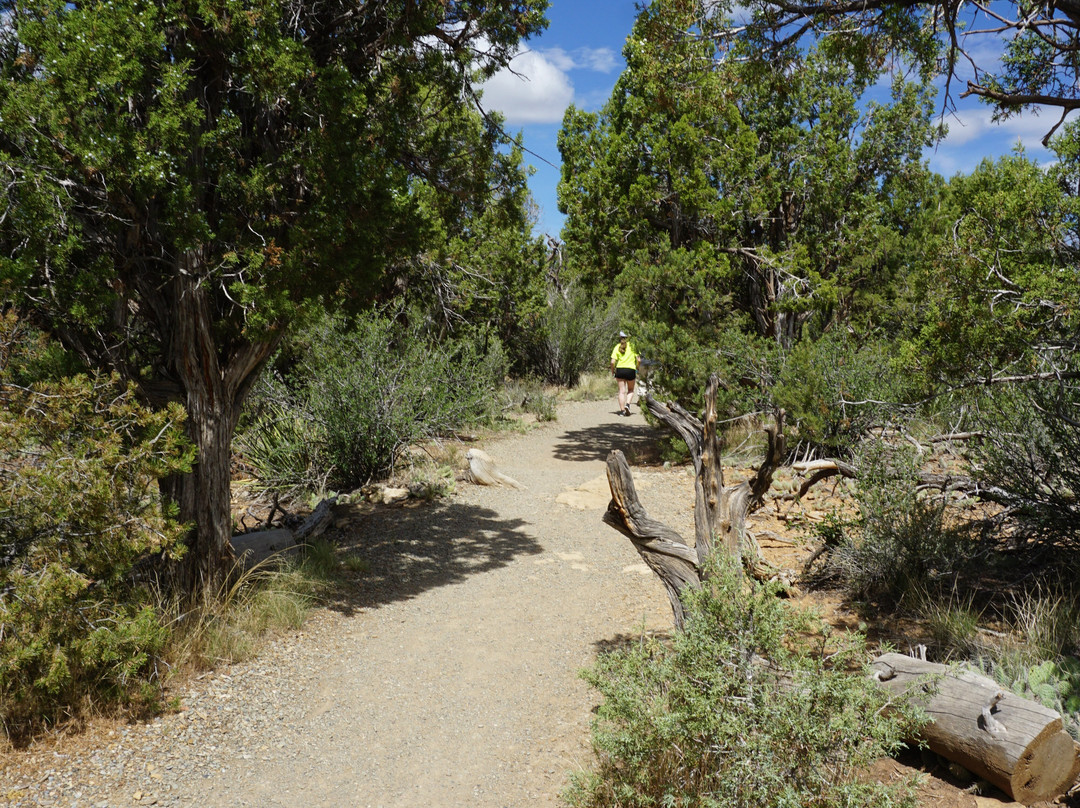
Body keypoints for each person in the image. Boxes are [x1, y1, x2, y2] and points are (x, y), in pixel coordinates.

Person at [609, 331, 641, 417]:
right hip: (631, 370)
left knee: (621, 391)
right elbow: (638, 360)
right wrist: (637, 368)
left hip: (620, 370)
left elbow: (612, 362)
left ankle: (622, 411)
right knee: (630, 390)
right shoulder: (633, 346)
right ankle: (628, 404)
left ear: (620, 337)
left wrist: (613, 371)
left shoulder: (617, 347)